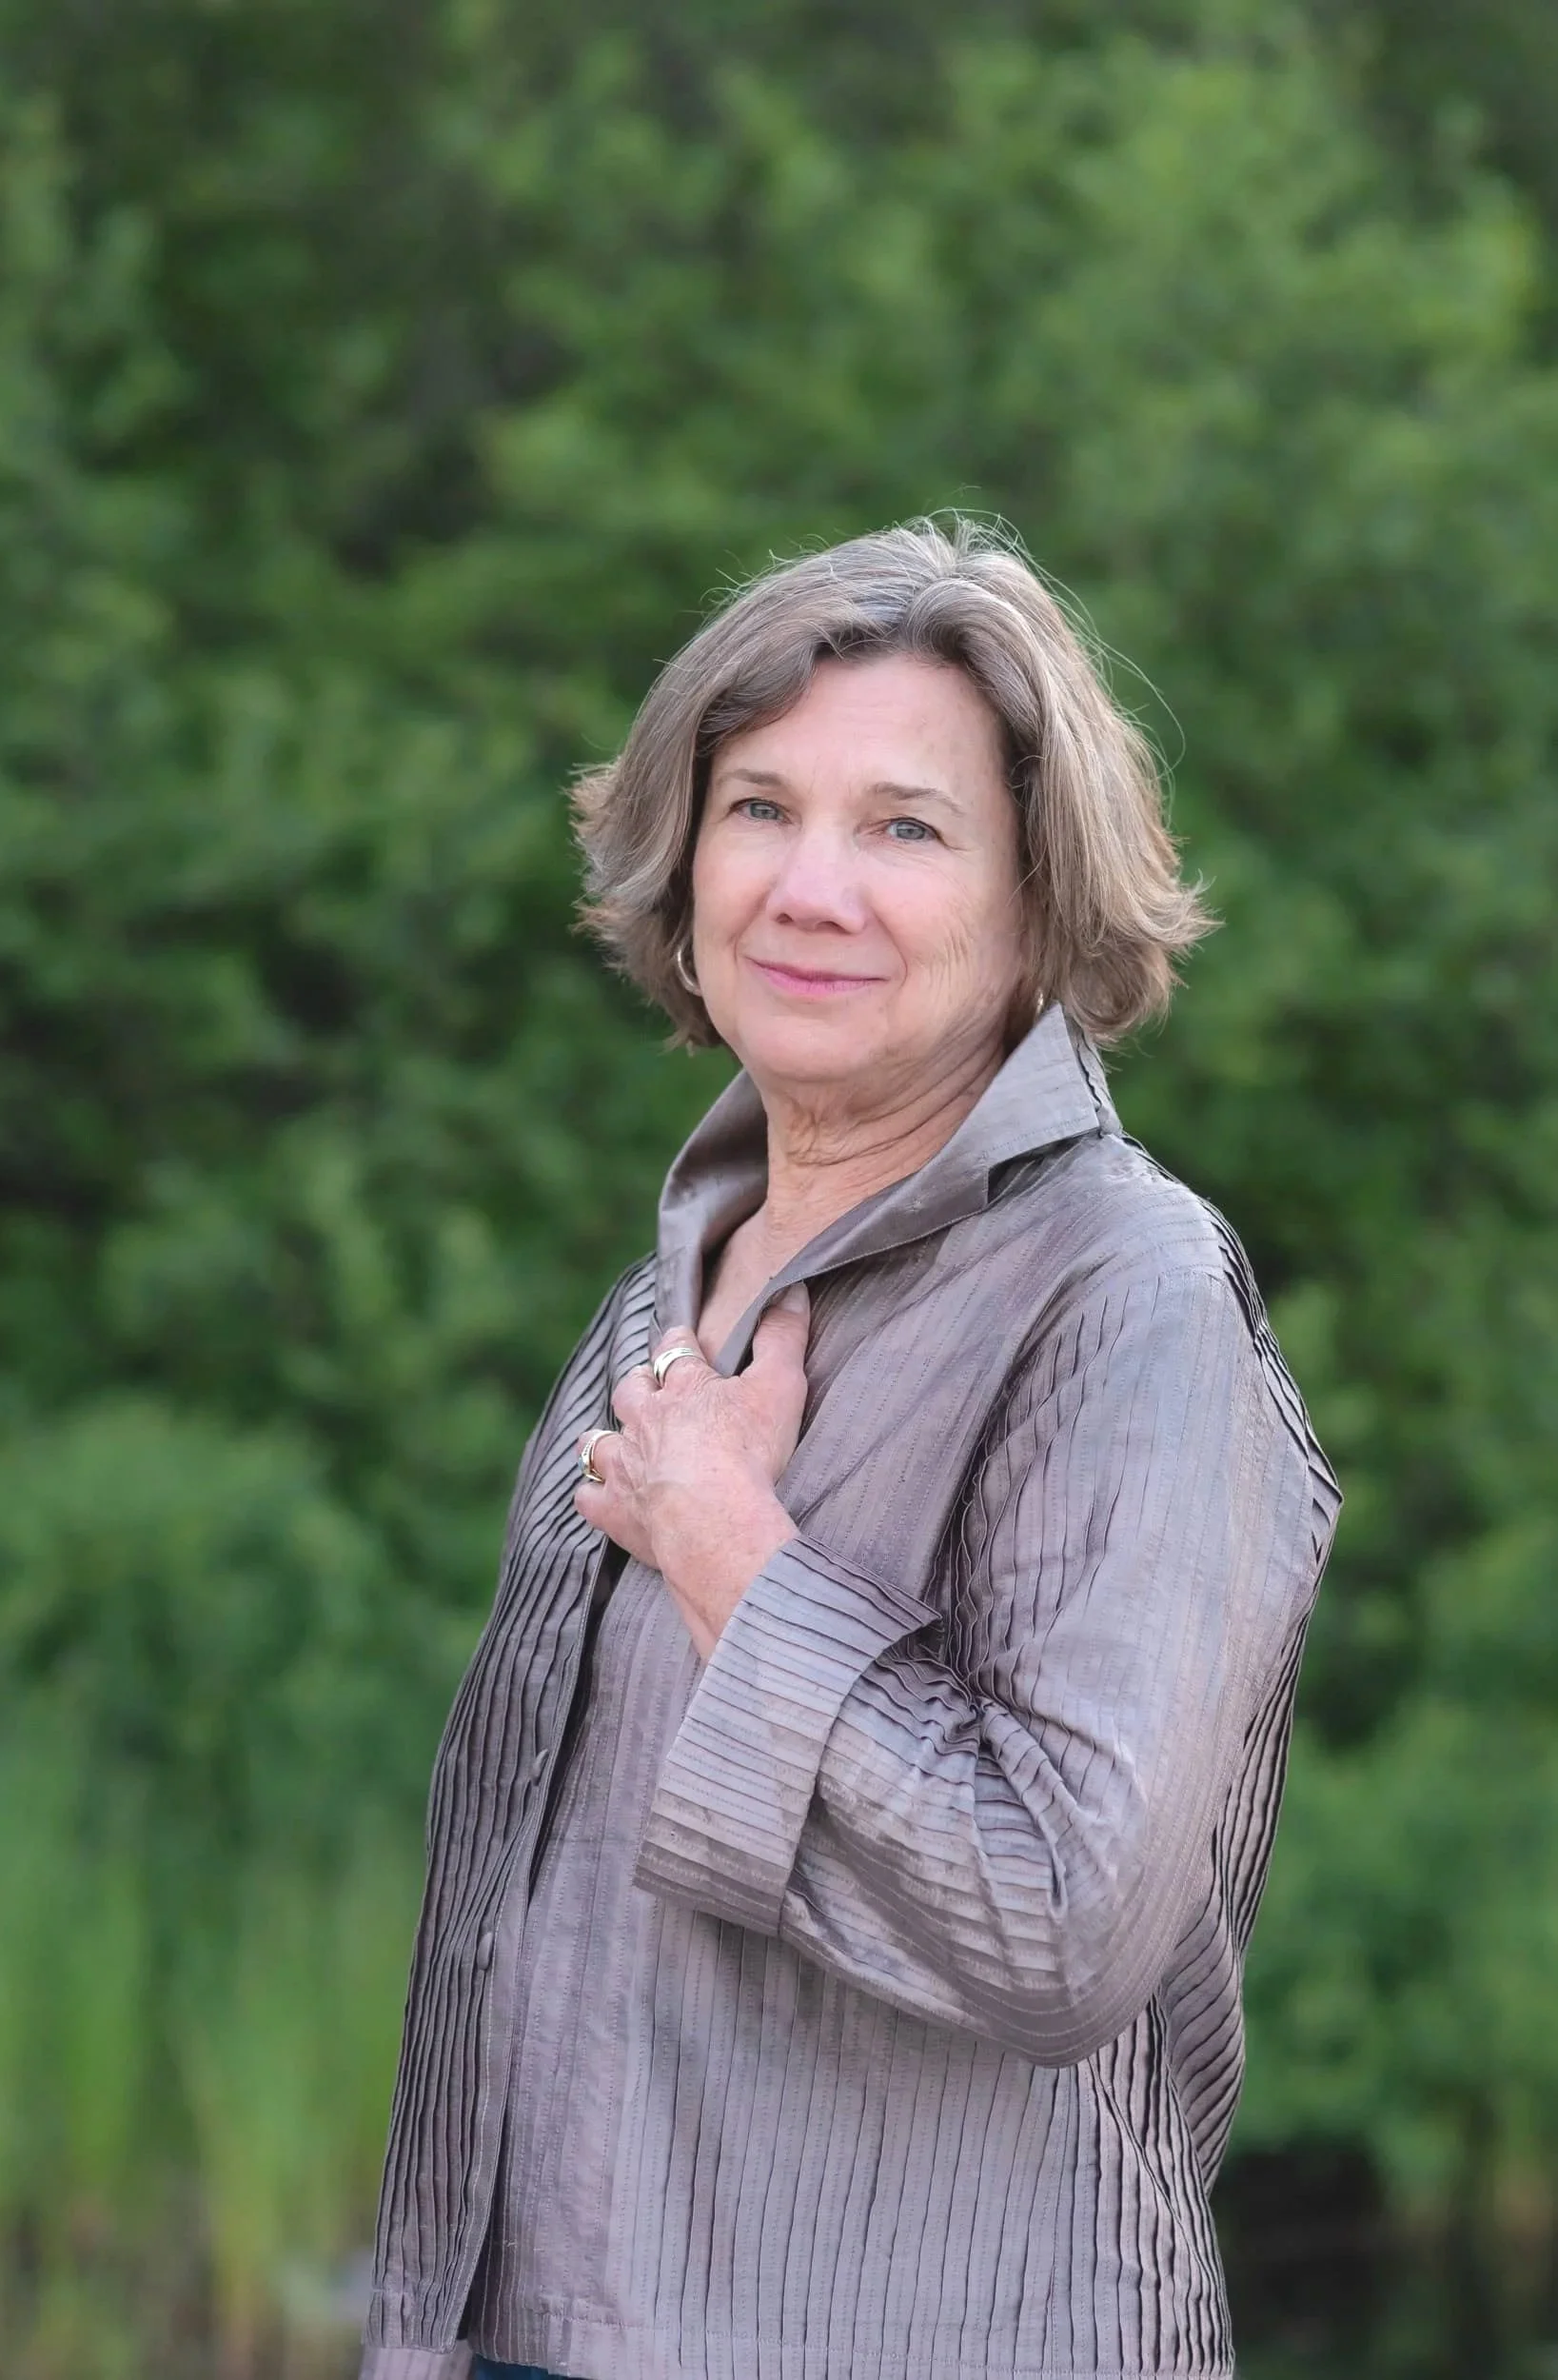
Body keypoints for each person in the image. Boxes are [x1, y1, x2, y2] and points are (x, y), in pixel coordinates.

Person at [360, 518, 1340, 2380]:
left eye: (906, 826)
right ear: (681, 857)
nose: (811, 885)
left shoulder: (1127, 1290)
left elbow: (1057, 1925)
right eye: (758, 807)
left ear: (1040, 905)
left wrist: (739, 1552)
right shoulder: (678, 1286)